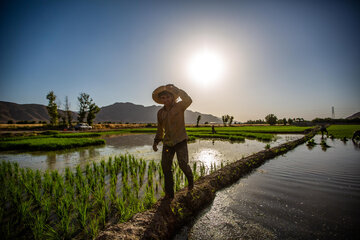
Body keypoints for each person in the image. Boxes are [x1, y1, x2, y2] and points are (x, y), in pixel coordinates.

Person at [152, 84, 194, 200]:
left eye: (168, 97)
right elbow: (160, 129)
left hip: (180, 140)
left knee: (183, 164)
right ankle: (170, 194)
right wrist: (156, 141)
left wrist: (178, 90)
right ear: (160, 100)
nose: (165, 100)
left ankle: (191, 182)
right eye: (163, 98)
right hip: (168, 143)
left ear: (173, 98)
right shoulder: (160, 113)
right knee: (165, 167)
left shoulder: (180, 106)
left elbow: (189, 100)